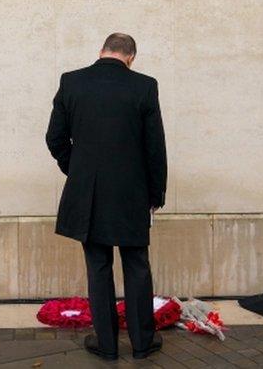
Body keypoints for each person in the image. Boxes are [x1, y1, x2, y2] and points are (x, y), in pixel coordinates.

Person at [45, 32, 168, 360]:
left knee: (98, 267)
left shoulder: (72, 82)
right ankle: (142, 343)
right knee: (137, 265)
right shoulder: (144, 86)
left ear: (101, 51)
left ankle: (107, 344)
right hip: (132, 193)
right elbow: (155, 147)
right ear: (131, 57)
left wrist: (78, 170)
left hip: (90, 195)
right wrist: (156, 192)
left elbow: (54, 137)